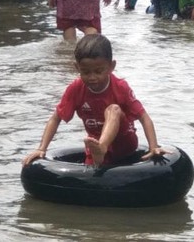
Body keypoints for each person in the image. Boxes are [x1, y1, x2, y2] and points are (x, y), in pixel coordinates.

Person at [21, 34, 170, 167]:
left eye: (99, 71)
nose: (92, 77)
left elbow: (144, 117)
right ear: (77, 68)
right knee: (91, 176)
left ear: (111, 67)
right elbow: (55, 119)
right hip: (93, 145)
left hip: (124, 143)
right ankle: (99, 150)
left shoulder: (120, 87)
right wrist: (41, 149)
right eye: (85, 72)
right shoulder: (75, 89)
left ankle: (102, 147)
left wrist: (153, 146)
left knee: (113, 109)